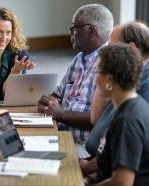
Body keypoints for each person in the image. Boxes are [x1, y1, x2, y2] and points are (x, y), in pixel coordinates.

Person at [82, 22, 149, 183]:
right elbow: (108, 142)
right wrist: (87, 169)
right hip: (104, 169)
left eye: (97, 72)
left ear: (110, 79)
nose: (94, 79)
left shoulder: (129, 118)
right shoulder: (126, 101)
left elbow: (122, 182)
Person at [37, 4, 113, 146]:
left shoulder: (110, 64)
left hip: (85, 148)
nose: (71, 34)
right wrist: (48, 101)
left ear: (91, 31)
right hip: (62, 135)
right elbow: (58, 94)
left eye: (75, 29)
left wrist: (60, 114)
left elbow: (102, 119)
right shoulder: (79, 58)